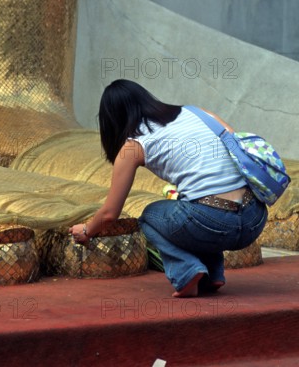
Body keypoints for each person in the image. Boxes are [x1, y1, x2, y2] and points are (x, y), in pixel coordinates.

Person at [68, 79, 268, 297]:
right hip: (254, 218)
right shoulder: (199, 113)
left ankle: (187, 275)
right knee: (191, 204)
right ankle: (213, 275)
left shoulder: (133, 145)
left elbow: (109, 214)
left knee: (150, 216)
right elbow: (239, 151)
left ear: (112, 120)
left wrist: (87, 230)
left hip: (215, 224)